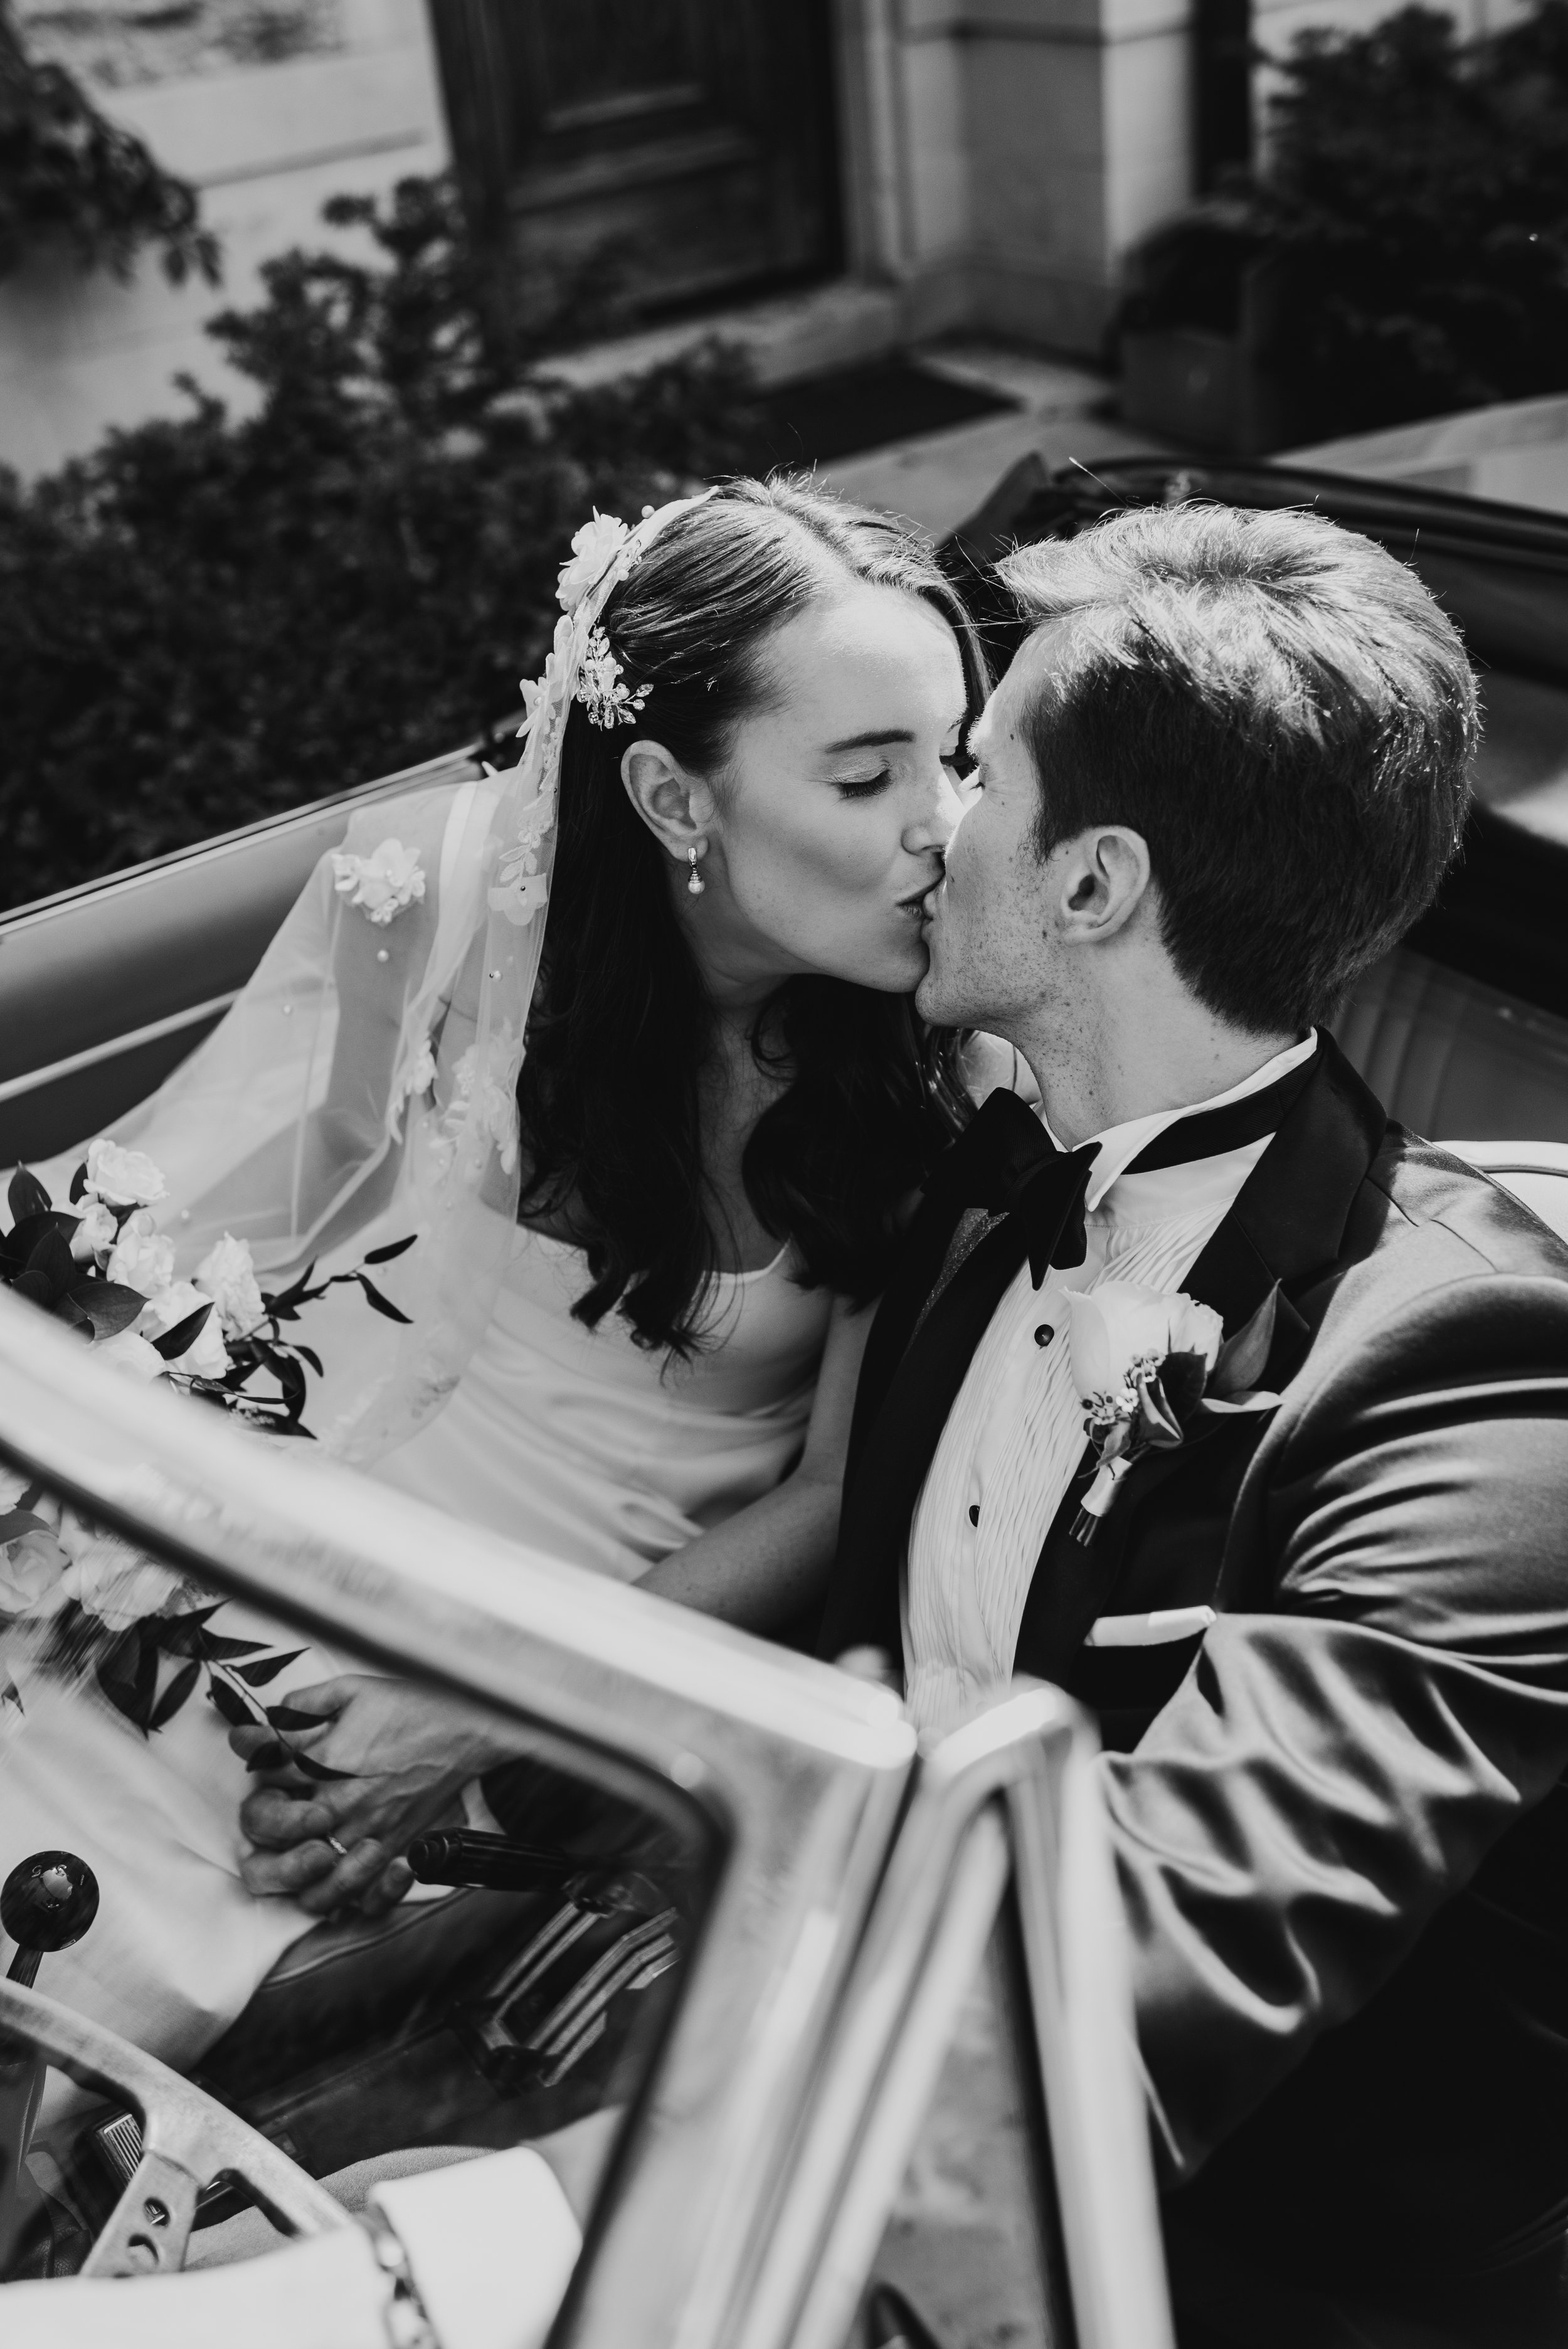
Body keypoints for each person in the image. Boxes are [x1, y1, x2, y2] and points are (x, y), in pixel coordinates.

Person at [2, 478, 986, 2064]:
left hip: (538, 1651)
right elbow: (227, 1247)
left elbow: (832, 1497)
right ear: (673, 798)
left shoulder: (949, 1066)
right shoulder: (434, 898)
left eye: (956, 758)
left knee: (108, 1976)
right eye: (870, 775)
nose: (941, 826)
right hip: (237, 1536)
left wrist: (474, 1714)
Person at [815, 502, 1568, 2347]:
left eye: (976, 773)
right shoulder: (993, 1175)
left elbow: (1160, 1951)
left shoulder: (1467, 1373)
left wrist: (494, 2245)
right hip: (875, 2033)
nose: (929, 823)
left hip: (1252, 2265)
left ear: (1090, 888)